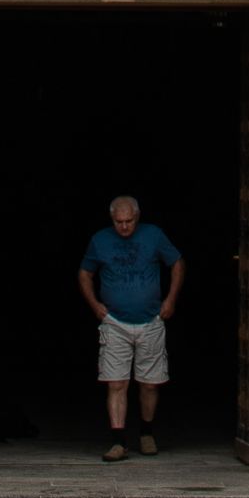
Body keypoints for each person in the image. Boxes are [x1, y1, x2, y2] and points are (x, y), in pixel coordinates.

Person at [78, 187, 184, 456]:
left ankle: (147, 434)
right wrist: (95, 305)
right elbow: (85, 273)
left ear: (137, 217)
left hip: (151, 320)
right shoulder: (99, 240)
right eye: (119, 222)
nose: (124, 227)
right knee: (116, 382)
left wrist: (170, 300)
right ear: (111, 219)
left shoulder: (154, 235)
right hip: (115, 322)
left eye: (129, 221)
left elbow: (177, 263)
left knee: (149, 383)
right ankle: (118, 441)